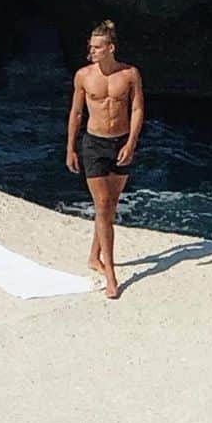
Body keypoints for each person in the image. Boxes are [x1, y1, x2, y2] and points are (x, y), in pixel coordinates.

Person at [65, 18, 144, 299]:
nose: (92, 52)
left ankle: (93, 257)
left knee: (110, 206)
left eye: (97, 47)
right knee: (102, 206)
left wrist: (132, 143)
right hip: (94, 144)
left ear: (110, 47)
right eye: (90, 47)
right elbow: (76, 113)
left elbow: (136, 110)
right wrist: (70, 148)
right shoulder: (83, 76)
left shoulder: (130, 74)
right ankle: (110, 273)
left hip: (121, 143)